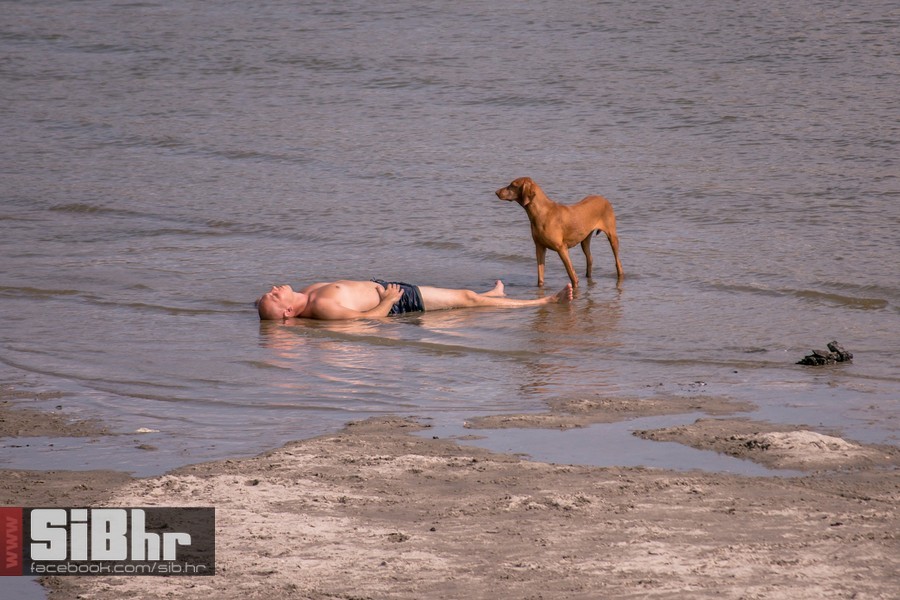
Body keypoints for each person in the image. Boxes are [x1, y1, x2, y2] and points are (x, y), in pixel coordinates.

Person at [256, 278, 572, 321]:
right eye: (272, 297)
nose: (273, 288)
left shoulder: (309, 293)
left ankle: (493, 295)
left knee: (465, 300)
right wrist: (389, 300)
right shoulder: (320, 306)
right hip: (400, 300)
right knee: (466, 299)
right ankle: (544, 303)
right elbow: (367, 320)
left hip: (389, 287)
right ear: (286, 312)